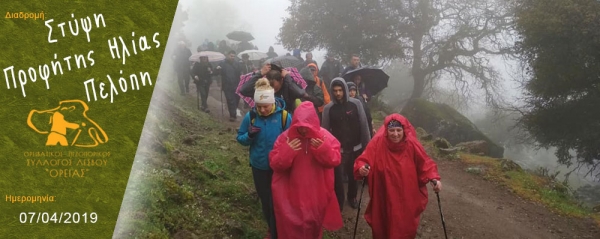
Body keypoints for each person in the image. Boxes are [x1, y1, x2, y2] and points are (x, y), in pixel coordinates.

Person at [354, 114, 442, 239]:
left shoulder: (411, 144)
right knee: (383, 223)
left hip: (406, 195)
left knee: (404, 226)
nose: (395, 134)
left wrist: (434, 178)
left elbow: (425, 164)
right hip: (383, 194)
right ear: (386, 130)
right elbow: (364, 159)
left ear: (404, 130)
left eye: (399, 130)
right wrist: (362, 168)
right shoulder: (377, 143)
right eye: (391, 130)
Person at [269, 101, 343, 238]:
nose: (303, 130)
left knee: (313, 227)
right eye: (300, 126)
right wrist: (287, 151)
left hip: (316, 195)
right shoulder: (285, 138)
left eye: (306, 126)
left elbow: (335, 160)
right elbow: (274, 164)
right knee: (291, 228)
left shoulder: (324, 137)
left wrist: (323, 149)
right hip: (290, 195)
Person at [237, 78, 292, 239]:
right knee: (266, 203)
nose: (262, 110)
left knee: (278, 203)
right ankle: (272, 229)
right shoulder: (251, 117)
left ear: (272, 102)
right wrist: (249, 136)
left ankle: (278, 231)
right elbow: (240, 138)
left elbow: (291, 140)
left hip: (279, 168)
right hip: (259, 167)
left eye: (265, 106)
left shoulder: (284, 117)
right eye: (259, 106)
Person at [321, 78, 371, 210]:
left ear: (345, 90)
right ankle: (339, 201)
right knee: (338, 179)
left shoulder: (356, 104)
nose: (338, 93)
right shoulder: (328, 109)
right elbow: (324, 131)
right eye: (335, 91)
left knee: (353, 175)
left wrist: (368, 147)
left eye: (340, 90)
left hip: (355, 147)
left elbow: (364, 125)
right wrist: (326, 150)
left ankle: (352, 197)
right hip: (338, 150)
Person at [239, 61, 309, 113]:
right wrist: (260, 74)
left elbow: (300, 93)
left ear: (281, 80)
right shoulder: (264, 87)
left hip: (285, 122)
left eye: (275, 88)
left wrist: (287, 77)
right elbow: (243, 91)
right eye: (271, 87)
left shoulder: (288, 85)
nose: (273, 91)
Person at [217, 50, 242, 122]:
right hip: (227, 85)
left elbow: (240, 72)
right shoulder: (222, 63)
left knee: (236, 99)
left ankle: (234, 111)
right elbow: (216, 73)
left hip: (236, 84)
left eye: (234, 56)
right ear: (228, 55)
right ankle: (232, 115)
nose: (232, 57)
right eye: (231, 56)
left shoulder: (237, 63)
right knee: (230, 100)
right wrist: (217, 69)